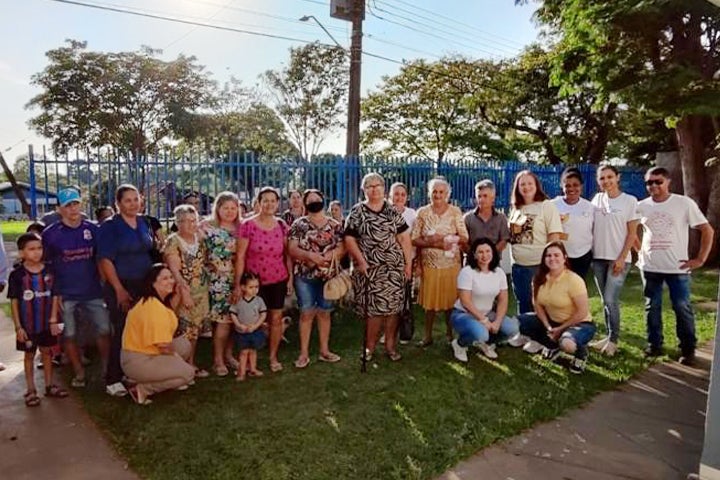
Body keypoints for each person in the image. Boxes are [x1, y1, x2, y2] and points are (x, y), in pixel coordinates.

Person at [636, 166, 714, 366]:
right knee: (652, 306)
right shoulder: (641, 206)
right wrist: (639, 250)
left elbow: (707, 230)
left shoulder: (683, 203)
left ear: (668, 182)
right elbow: (631, 230)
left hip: (677, 268)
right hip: (650, 267)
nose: (653, 185)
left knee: (681, 307)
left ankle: (688, 349)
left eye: (658, 181)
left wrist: (700, 259)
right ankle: (654, 345)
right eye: (649, 182)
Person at [42, 187, 111, 388]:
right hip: (66, 294)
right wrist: (55, 295)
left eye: (76, 204)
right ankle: (79, 372)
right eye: (68, 205)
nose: (73, 209)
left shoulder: (93, 229)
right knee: (69, 334)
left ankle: (107, 369)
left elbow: (101, 259)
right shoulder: (50, 234)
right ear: (59, 209)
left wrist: (105, 285)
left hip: (93, 291)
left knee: (104, 329)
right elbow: (47, 266)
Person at [345, 173, 413, 361]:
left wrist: (408, 265)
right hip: (369, 270)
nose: (374, 189)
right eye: (369, 186)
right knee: (373, 311)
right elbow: (349, 239)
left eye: (378, 185)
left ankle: (390, 346)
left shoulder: (392, 211)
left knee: (393, 309)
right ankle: (369, 347)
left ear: (384, 188)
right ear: (364, 190)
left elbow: (404, 238)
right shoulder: (357, 211)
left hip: (393, 269)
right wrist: (360, 261)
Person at [98, 184, 156, 397]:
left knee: (141, 330)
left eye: (136, 199)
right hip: (121, 284)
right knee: (122, 330)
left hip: (144, 284)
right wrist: (119, 289)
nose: (133, 204)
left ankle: (133, 371)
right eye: (127, 200)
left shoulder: (143, 222)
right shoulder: (110, 227)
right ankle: (113, 378)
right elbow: (105, 260)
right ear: (118, 203)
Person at [517, 241, 597, 374]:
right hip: (553, 322)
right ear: (544, 259)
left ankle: (581, 352)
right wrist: (548, 327)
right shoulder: (538, 278)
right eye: (548, 255)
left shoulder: (574, 280)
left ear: (564, 258)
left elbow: (582, 312)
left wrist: (560, 329)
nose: (552, 258)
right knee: (518, 323)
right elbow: (537, 306)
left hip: (579, 323)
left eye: (556, 255)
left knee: (567, 344)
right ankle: (552, 345)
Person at [236, 186, 292, 373]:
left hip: (277, 279)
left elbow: (287, 255)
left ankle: (273, 357)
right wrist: (238, 284)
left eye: (273, 201)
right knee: (251, 318)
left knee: (276, 318)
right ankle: (249, 358)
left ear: (278, 203)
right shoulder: (248, 225)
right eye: (265, 200)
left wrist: (290, 279)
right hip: (254, 283)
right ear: (258, 203)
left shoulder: (282, 225)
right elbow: (240, 256)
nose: (269, 204)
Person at [121, 264, 196, 405]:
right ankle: (142, 389)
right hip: (139, 360)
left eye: (171, 277)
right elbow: (163, 346)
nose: (171, 281)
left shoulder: (155, 301)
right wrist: (177, 359)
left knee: (184, 344)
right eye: (164, 279)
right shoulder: (154, 308)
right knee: (188, 374)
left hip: (147, 352)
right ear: (153, 283)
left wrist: (180, 293)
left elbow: (170, 313)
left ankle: (154, 376)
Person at [8, 232, 67, 406]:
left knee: (47, 352)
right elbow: (14, 301)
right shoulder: (17, 275)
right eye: (31, 249)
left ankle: (49, 385)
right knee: (29, 355)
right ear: (21, 252)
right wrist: (18, 327)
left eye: (39, 248)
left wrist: (54, 318)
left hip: (46, 323)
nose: (36, 252)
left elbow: (55, 295)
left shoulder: (50, 270)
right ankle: (31, 390)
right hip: (28, 325)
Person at [288, 189, 345, 368]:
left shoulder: (335, 225)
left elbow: (343, 247)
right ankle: (304, 354)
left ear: (323, 200)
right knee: (306, 313)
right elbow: (292, 248)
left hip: (328, 277)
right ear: (305, 204)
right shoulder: (299, 224)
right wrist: (310, 256)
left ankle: (324, 351)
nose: (314, 202)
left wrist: (328, 256)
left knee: (325, 313)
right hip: (304, 276)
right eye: (310, 200)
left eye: (317, 199)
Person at [589, 165, 639, 357]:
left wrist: (621, 258)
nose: (606, 181)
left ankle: (614, 340)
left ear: (617, 178)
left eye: (610, 177)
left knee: (611, 299)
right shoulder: (596, 200)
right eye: (602, 178)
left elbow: (632, 233)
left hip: (618, 260)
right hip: (598, 258)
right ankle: (608, 336)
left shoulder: (629, 201)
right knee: (605, 300)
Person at [411, 177, 468, 346]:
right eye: (434, 191)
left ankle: (450, 334)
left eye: (441, 192)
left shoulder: (455, 212)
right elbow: (414, 239)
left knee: (450, 302)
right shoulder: (422, 212)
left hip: (451, 264)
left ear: (447, 194)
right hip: (429, 265)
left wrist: (443, 237)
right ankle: (427, 336)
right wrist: (433, 243)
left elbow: (464, 237)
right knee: (430, 304)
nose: (437, 195)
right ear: (429, 193)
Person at [450, 238, 521, 362]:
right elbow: (465, 301)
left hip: (488, 313)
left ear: (493, 253)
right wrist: (484, 320)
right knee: (481, 333)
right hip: (464, 314)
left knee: (512, 328)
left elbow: (503, 300)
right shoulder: (467, 272)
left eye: (488, 251)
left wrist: (497, 321)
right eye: (480, 252)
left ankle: (487, 343)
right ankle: (459, 344)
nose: (485, 255)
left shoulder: (499, 273)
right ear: (474, 255)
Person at [163, 205, 210, 378]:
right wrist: (184, 293)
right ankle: (178, 366)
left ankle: (191, 364)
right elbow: (175, 271)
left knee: (194, 330)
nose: (191, 224)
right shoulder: (173, 241)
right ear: (177, 222)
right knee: (182, 330)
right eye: (185, 221)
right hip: (183, 291)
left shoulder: (199, 238)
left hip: (201, 291)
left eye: (193, 220)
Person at [508, 170, 563, 314]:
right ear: (517, 188)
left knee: (541, 305)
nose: (526, 187)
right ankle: (525, 329)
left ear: (536, 185)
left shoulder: (546, 206)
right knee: (523, 304)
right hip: (518, 267)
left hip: (538, 266)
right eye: (522, 184)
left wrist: (550, 264)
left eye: (530, 183)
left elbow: (554, 235)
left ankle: (544, 329)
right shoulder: (516, 209)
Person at [201, 191, 241, 376]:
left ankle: (229, 354)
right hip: (218, 280)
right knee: (222, 321)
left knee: (233, 319)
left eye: (233, 208)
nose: (230, 211)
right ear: (218, 208)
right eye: (226, 208)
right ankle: (218, 360)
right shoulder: (207, 227)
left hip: (238, 278)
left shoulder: (242, 228)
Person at [551, 168, 594, 278]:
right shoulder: (553, 205)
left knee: (578, 286)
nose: (571, 189)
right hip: (559, 256)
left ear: (581, 186)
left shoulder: (590, 207)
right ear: (562, 186)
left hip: (583, 255)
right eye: (568, 186)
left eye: (575, 185)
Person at [229, 271, 267, 381]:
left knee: (253, 350)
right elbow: (233, 313)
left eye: (256, 287)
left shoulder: (259, 300)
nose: (254, 290)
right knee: (244, 352)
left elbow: (263, 314)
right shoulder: (239, 301)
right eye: (251, 287)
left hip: (255, 330)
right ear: (243, 287)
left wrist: (256, 325)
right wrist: (239, 325)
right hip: (242, 331)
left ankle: (253, 369)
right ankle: (241, 372)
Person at [463, 180, 510, 252]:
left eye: (485, 196)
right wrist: (475, 254)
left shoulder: (501, 218)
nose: (481, 199)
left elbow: (504, 240)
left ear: (493, 198)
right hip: (472, 257)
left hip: (494, 258)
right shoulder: (467, 218)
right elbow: (463, 242)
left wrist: (490, 254)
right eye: (479, 196)